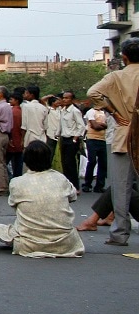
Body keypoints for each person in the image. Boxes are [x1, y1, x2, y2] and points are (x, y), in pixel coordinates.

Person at [0, 141, 84, 258]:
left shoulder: (17, 183)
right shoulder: (60, 178)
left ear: (26, 160)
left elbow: (14, 205)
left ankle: (23, 241)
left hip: (29, 243)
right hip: (66, 243)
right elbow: (73, 196)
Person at [87, 37, 139, 247]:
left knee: (120, 187)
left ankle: (119, 232)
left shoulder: (116, 76)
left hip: (124, 133)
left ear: (124, 57)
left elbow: (93, 93)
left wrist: (113, 112)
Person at [54, 91, 86, 191]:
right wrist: (57, 135)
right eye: (63, 98)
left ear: (72, 100)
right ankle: (68, 186)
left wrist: (75, 138)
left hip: (72, 139)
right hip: (63, 138)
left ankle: (75, 187)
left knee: (70, 163)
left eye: (67, 98)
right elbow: (60, 125)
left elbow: (81, 126)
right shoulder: (62, 110)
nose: (64, 100)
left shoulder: (75, 111)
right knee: (65, 164)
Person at [83, 103, 109, 193]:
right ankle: (87, 184)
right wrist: (102, 125)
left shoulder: (104, 113)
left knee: (103, 163)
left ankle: (99, 186)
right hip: (92, 139)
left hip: (103, 139)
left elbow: (107, 125)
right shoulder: (91, 112)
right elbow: (95, 126)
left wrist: (101, 125)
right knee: (92, 161)